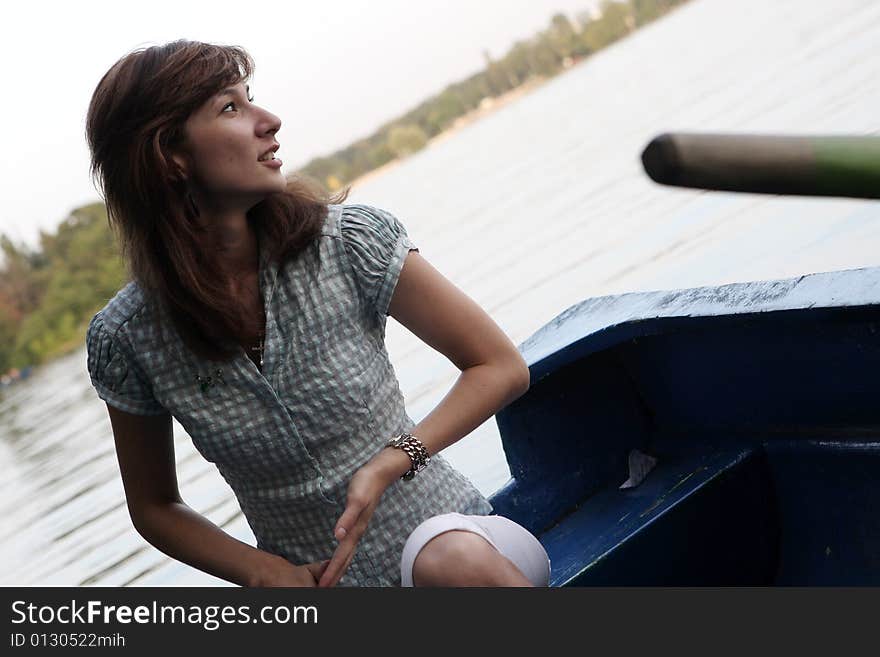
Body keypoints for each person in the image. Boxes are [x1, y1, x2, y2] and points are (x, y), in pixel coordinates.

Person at [84, 39, 551, 588]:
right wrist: (260, 570)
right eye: (231, 108)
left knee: (448, 564)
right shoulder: (129, 340)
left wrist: (394, 458)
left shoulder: (349, 244)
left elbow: (499, 367)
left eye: (249, 98)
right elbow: (155, 505)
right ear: (169, 155)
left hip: (464, 549)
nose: (270, 121)